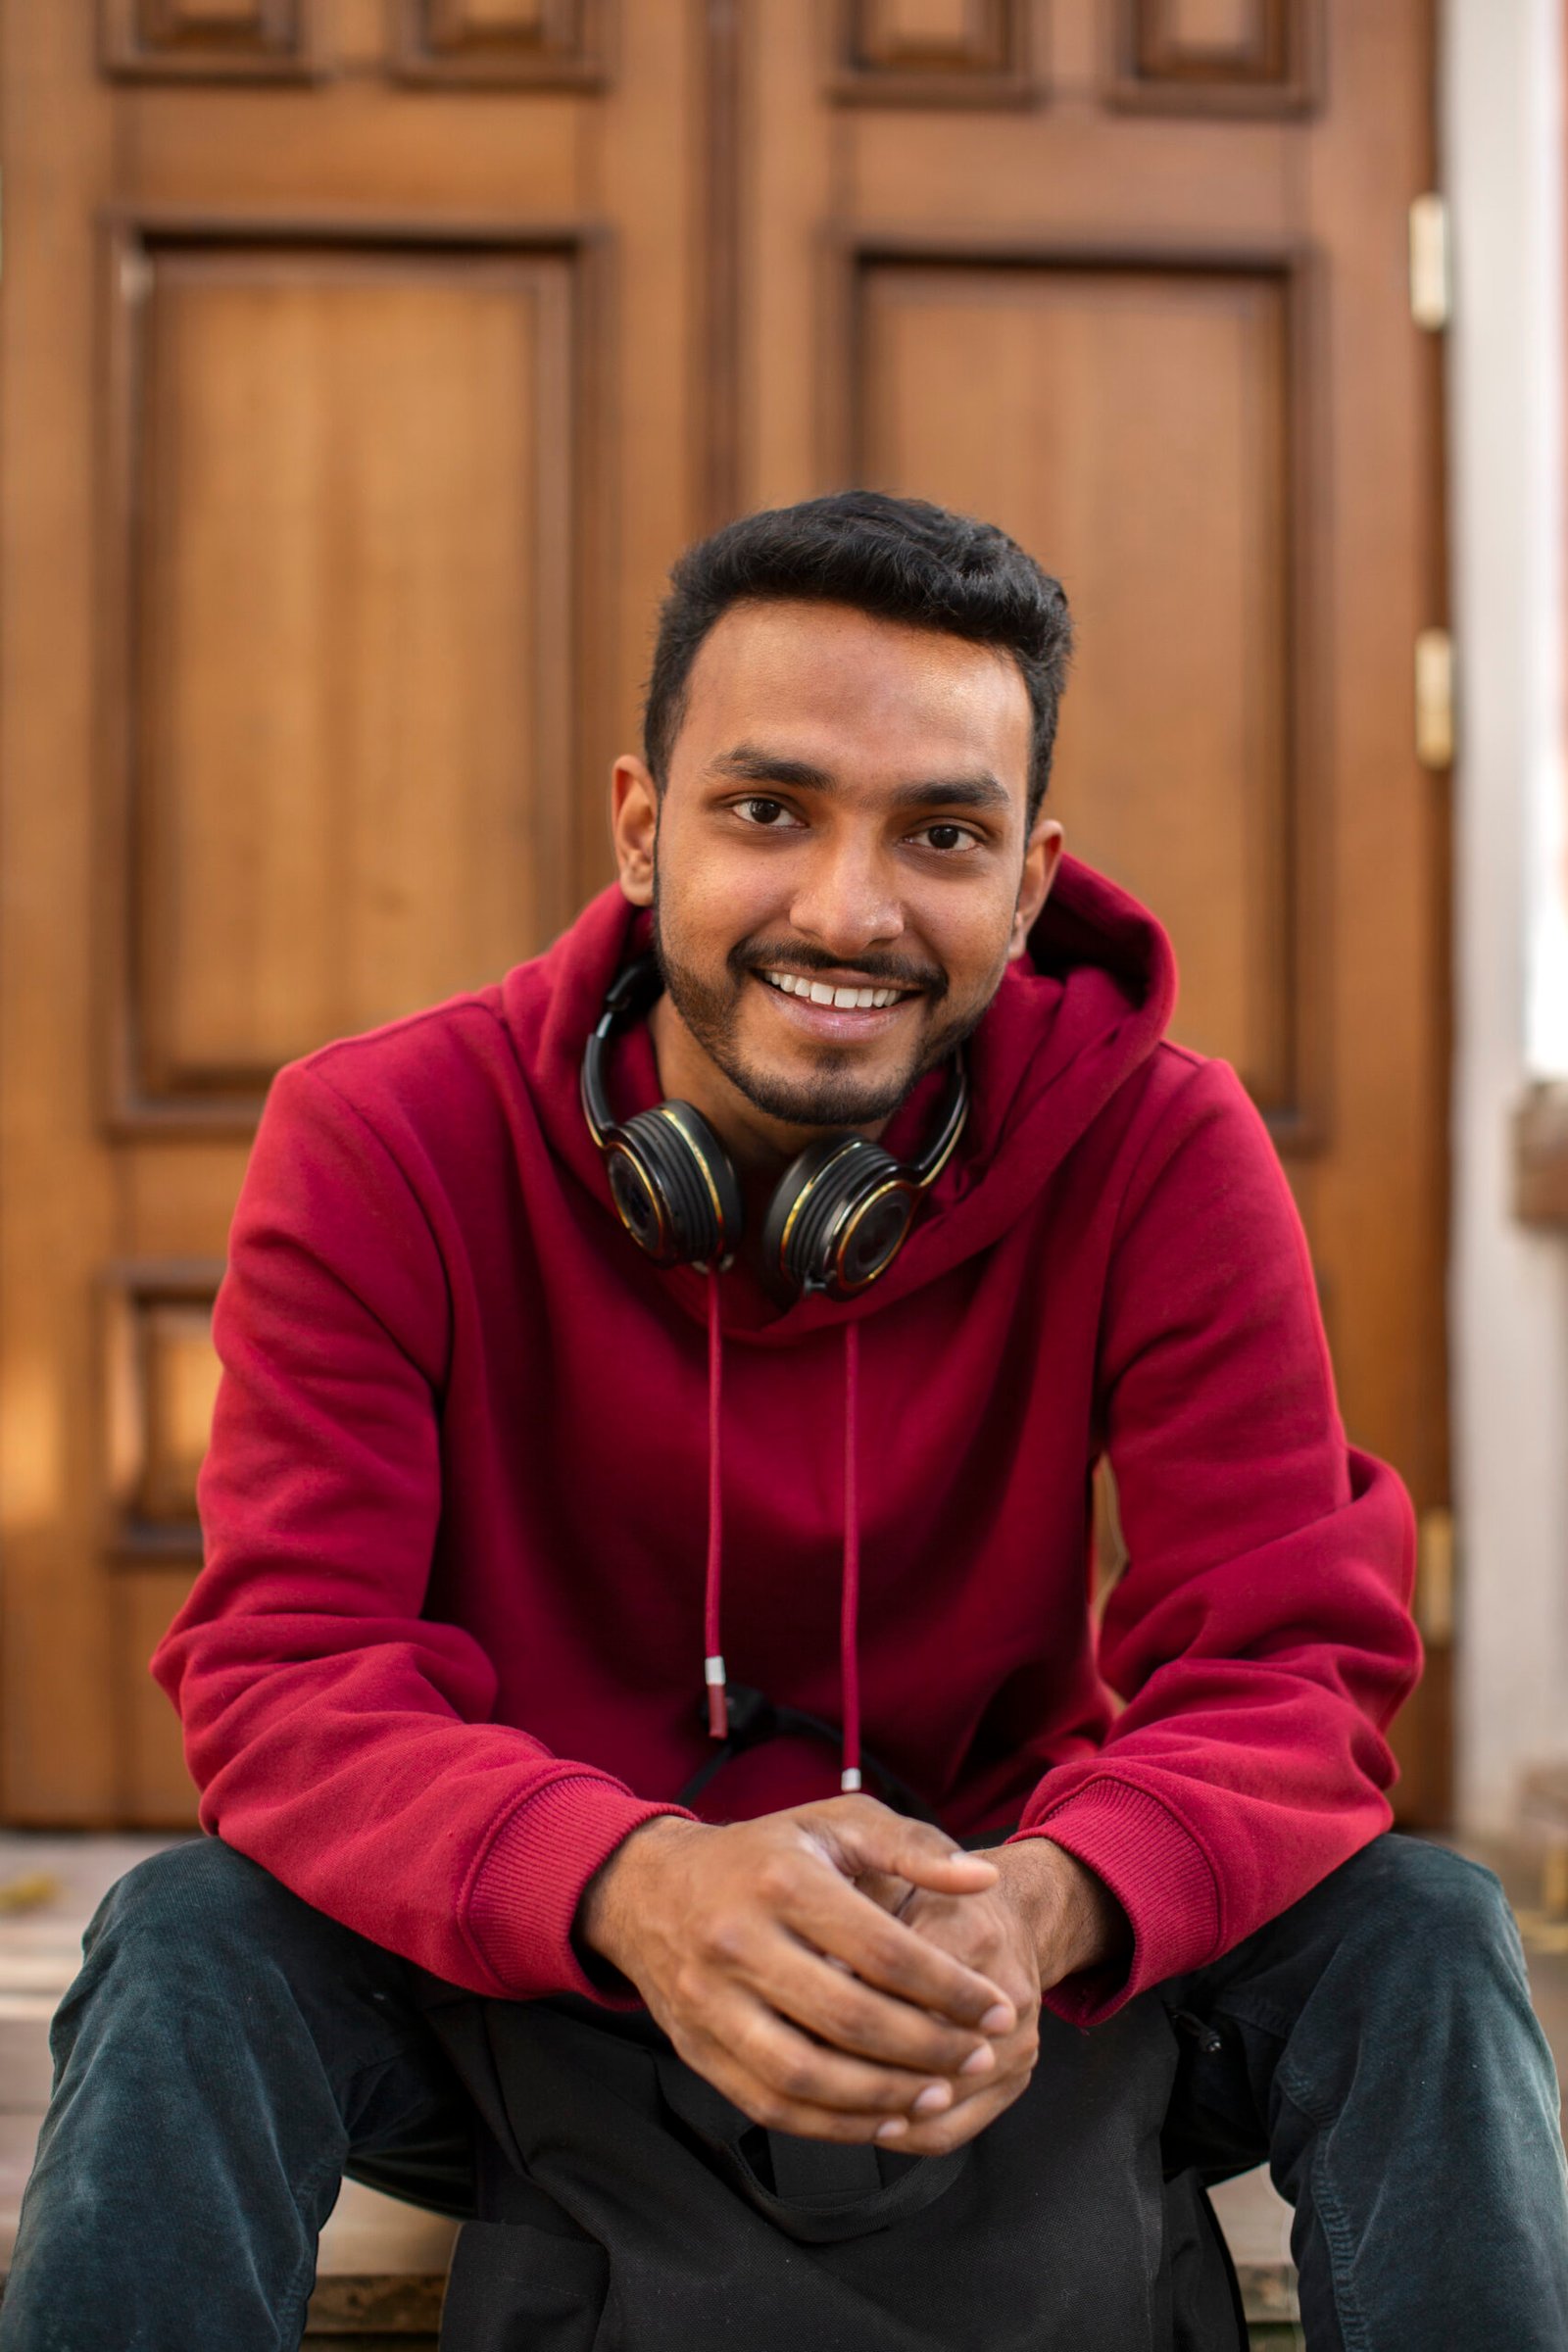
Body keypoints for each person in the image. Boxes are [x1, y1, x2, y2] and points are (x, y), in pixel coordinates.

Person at [2, 492, 1565, 2352]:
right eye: (769, 809)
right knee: (185, 1943)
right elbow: (289, 1673)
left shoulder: (1165, 1146)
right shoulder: (380, 1138)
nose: (849, 906)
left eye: (942, 835)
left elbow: (1293, 1661)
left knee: (1425, 1931)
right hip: (544, 1982)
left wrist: (1053, 1906)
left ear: (1032, 880)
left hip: (1003, 1981)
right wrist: (627, 1881)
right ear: (643, 827)